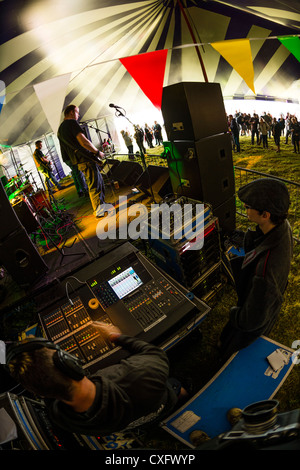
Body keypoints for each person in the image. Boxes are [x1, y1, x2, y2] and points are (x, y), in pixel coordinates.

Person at [7, 322, 185, 436]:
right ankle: (184, 395)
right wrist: (116, 336)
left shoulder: (60, 417)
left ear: (42, 394)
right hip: (163, 401)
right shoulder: (143, 373)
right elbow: (155, 353)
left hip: (131, 423)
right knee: (175, 386)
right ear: (70, 363)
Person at [218, 178, 293, 362]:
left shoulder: (265, 271)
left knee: (231, 352)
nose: (245, 208)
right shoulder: (283, 226)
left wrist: (234, 313)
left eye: (248, 206)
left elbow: (252, 320)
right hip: (266, 304)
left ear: (265, 215)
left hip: (252, 321)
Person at [57, 105, 106, 218]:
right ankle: (99, 210)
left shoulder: (60, 129)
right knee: (95, 185)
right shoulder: (72, 123)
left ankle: (101, 205)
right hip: (85, 159)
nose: (78, 115)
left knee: (96, 183)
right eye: (77, 112)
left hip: (78, 161)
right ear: (70, 112)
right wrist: (97, 153)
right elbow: (84, 142)